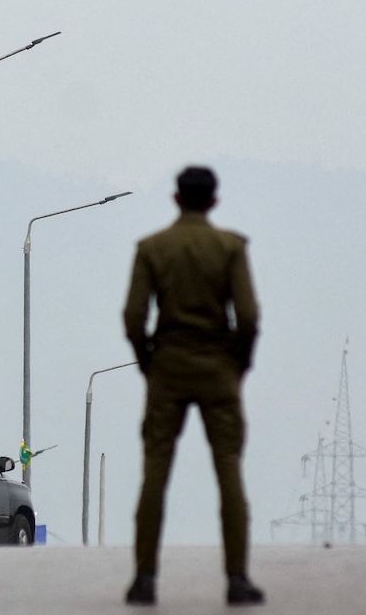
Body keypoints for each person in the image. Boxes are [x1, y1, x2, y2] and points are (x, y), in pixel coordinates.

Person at [122, 166, 264, 607]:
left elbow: (132, 316)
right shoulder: (229, 248)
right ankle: (237, 579)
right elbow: (249, 315)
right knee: (228, 471)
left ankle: (144, 579)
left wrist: (147, 360)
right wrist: (238, 363)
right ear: (214, 201)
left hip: (167, 368)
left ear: (176, 199)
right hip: (218, 369)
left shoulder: (152, 248)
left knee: (155, 474)